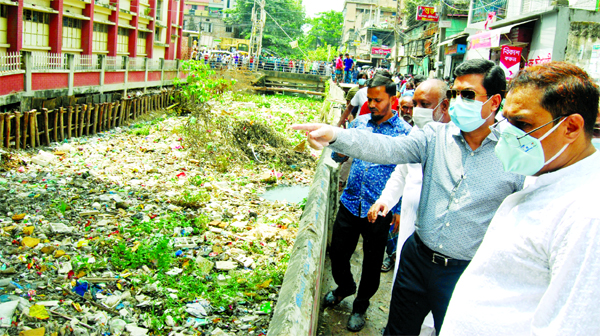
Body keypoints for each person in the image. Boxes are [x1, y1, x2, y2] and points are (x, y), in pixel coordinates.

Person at [292, 59, 525, 335]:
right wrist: (335, 135)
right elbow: (387, 148)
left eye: (468, 95)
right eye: (455, 93)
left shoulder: (517, 154)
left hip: (465, 272)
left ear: (495, 101)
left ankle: (362, 304)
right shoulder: (434, 137)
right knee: (398, 329)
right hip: (417, 257)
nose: (459, 101)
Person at [442, 62, 600, 335]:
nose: (507, 134)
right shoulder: (546, 174)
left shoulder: (588, 213)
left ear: (571, 127)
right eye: (507, 120)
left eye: (523, 124)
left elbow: (571, 325)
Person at [323, 74, 412, 332]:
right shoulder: (359, 123)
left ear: (392, 99)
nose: (372, 104)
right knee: (338, 252)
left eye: (378, 100)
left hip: (380, 209)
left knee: (372, 264)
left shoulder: (405, 134)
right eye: (370, 99)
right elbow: (340, 156)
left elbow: (408, 172)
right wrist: (338, 149)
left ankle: (360, 306)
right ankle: (344, 286)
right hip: (351, 201)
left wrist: (397, 209)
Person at [374, 79, 450, 275]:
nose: (417, 110)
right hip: (409, 222)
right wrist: (386, 200)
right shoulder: (417, 132)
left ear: (444, 105)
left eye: (425, 105)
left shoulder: (455, 137)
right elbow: (401, 172)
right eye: (415, 104)